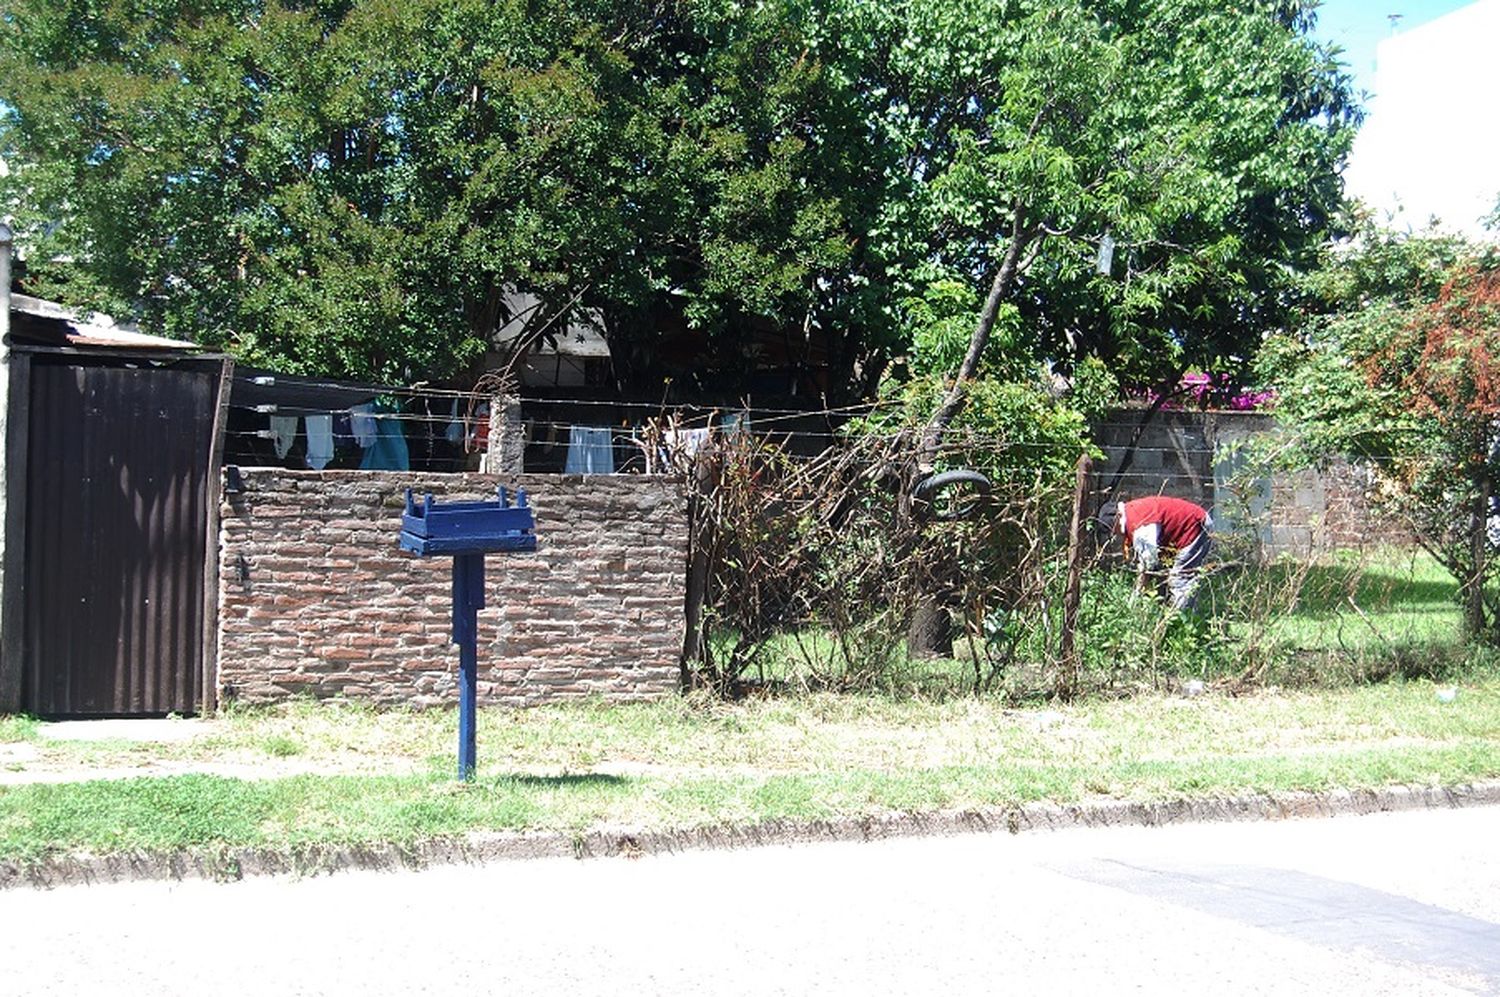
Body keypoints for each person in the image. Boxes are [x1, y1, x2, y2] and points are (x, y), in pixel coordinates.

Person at [1113, 495, 1213, 610]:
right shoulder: (1131, 512)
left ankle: (1181, 621)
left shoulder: (1139, 524)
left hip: (1195, 526)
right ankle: (1165, 615)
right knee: (1163, 575)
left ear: (1117, 517)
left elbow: (1148, 564)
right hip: (1178, 535)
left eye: (1112, 529)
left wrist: (1136, 595)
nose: (1114, 534)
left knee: (1180, 580)